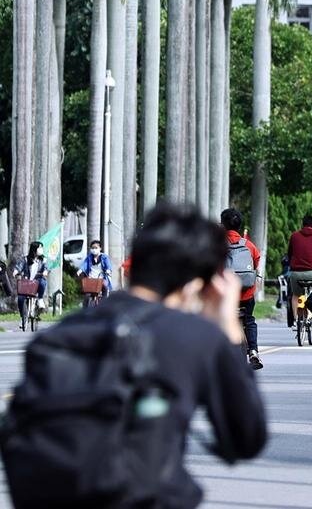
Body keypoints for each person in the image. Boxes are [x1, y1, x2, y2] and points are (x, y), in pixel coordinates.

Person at [1, 203, 268, 508]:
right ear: (196, 282)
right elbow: (246, 437)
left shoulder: (56, 336)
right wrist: (229, 328)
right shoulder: (192, 336)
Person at [221, 208, 263, 370]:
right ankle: (253, 350)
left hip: (225, 294)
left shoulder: (217, 245)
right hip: (246, 294)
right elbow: (256, 264)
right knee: (249, 320)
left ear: (223, 224)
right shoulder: (249, 246)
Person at [17, 242, 49, 326]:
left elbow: (46, 267)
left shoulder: (43, 259)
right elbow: (19, 267)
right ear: (34, 250)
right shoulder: (25, 259)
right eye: (39, 248)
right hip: (26, 284)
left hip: (37, 283)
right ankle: (23, 317)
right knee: (20, 298)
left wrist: (45, 271)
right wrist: (16, 272)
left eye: (42, 247)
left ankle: (40, 299)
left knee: (42, 281)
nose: (41, 250)